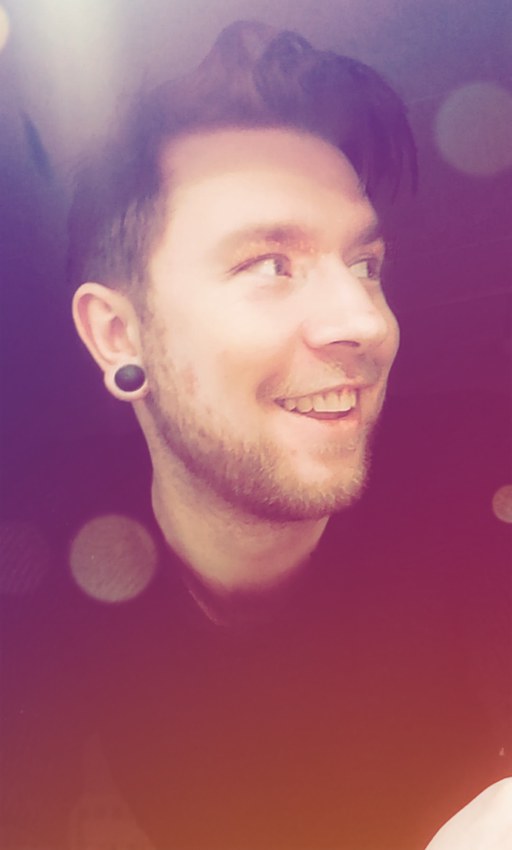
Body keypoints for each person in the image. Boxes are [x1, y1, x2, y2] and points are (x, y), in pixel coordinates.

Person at [2, 20, 510, 850]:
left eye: (365, 266)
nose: (366, 322)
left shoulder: (477, 479)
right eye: (270, 265)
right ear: (119, 336)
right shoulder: (36, 581)